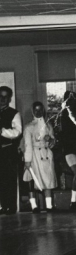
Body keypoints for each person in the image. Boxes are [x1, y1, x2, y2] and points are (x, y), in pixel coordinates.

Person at [22, 102, 57, 213]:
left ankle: (49, 206)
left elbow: (53, 142)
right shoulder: (29, 127)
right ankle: (34, 206)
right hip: (34, 156)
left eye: (40, 110)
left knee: (48, 180)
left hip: (46, 155)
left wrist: (50, 140)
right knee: (31, 180)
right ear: (33, 111)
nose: (38, 112)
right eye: (36, 110)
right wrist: (27, 161)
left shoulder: (48, 125)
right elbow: (27, 144)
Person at [0, 86, 22, 215]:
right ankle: (2, 206)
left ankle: (10, 207)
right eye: (0, 96)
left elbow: (17, 132)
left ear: (9, 98)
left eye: (5, 97)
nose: (2, 99)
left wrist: (2, 131)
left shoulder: (14, 113)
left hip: (7, 152)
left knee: (9, 180)